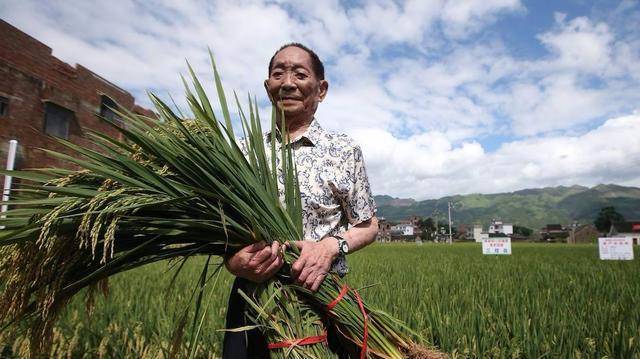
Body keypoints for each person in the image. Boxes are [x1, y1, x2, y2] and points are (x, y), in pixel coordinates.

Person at [222, 43, 378, 358]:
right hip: (253, 297)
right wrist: (232, 261)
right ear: (268, 88)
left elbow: (367, 225)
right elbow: (221, 226)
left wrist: (331, 246)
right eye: (278, 73)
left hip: (322, 295)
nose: (288, 82)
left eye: (300, 74)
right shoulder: (240, 153)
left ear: (321, 90)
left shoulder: (343, 150)